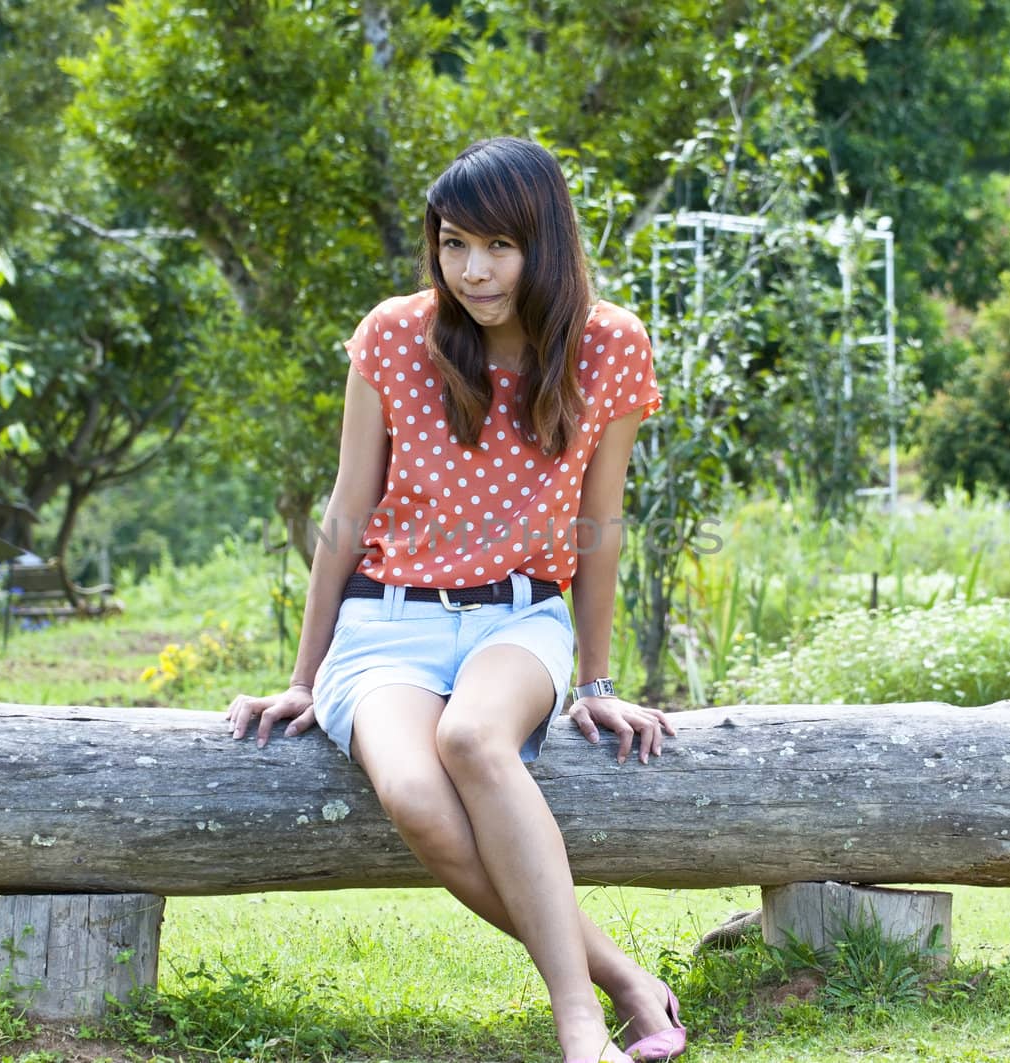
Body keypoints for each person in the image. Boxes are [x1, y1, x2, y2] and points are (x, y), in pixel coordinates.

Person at [225, 137, 685, 1063]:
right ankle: (628, 980)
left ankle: (578, 1022)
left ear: (545, 242)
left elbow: (601, 531)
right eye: (453, 243)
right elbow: (347, 511)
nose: (472, 270)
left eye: (499, 247)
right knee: (415, 795)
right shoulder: (395, 334)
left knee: (474, 739)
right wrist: (303, 676)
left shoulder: (609, 345)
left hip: (520, 619)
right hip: (385, 621)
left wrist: (595, 680)